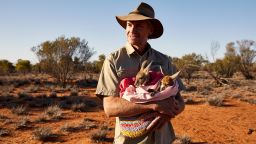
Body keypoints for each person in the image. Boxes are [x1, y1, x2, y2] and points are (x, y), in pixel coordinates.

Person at [96, 2, 185, 144]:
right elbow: (109, 107)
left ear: (150, 30)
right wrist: (154, 106)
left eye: (139, 25)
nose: (132, 29)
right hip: (129, 140)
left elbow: (180, 101)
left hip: (162, 139)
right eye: (129, 25)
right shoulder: (114, 60)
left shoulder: (164, 60)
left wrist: (168, 114)